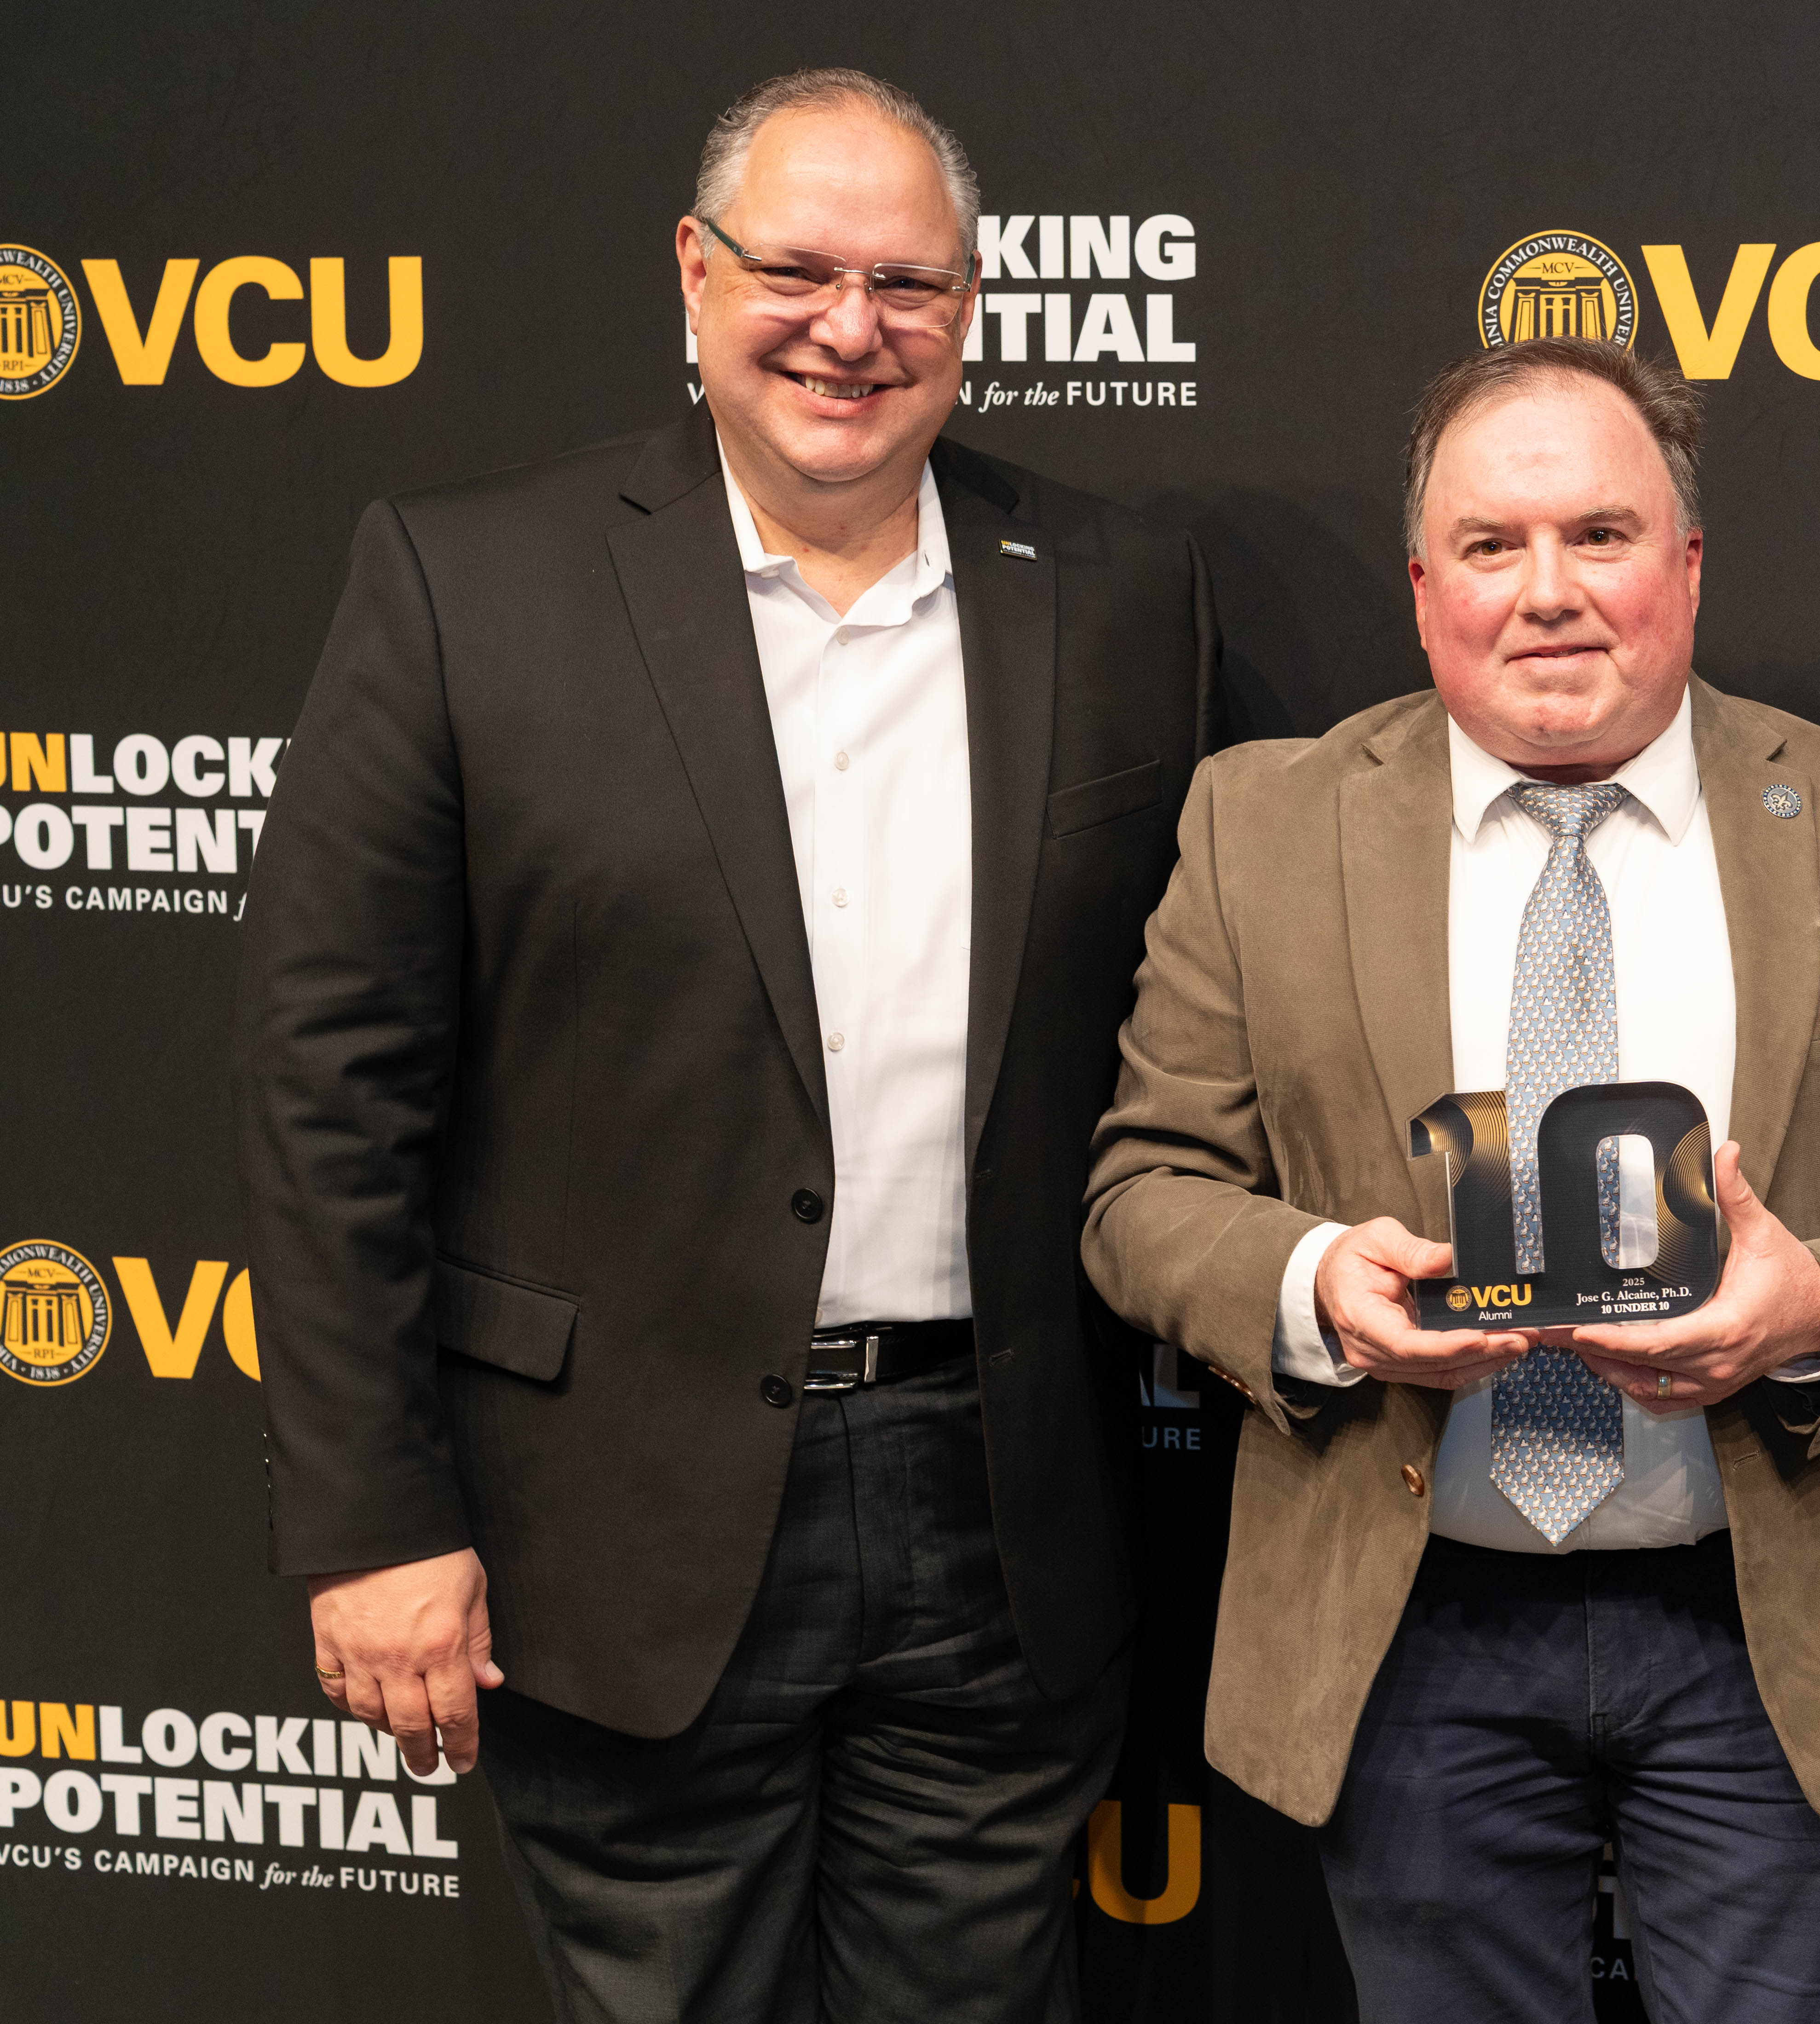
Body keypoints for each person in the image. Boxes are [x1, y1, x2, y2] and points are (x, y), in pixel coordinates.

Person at [236, 68, 1215, 2021]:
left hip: (1003, 1508)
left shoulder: (1116, 592)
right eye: (798, 268)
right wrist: (373, 1516)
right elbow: (333, 1082)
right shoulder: (466, 584)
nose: (851, 328)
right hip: (614, 1521)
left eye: (909, 286)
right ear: (694, 275)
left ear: (973, 308)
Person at [1080, 334, 1820, 2019]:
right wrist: (1319, 1285)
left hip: (1771, 1624)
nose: (1549, 592)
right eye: (1492, 546)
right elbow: (1144, 1189)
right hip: (1409, 1631)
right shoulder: (1261, 826)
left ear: (1686, 566)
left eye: (1601, 536)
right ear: (1420, 587)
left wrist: (1818, 1300)